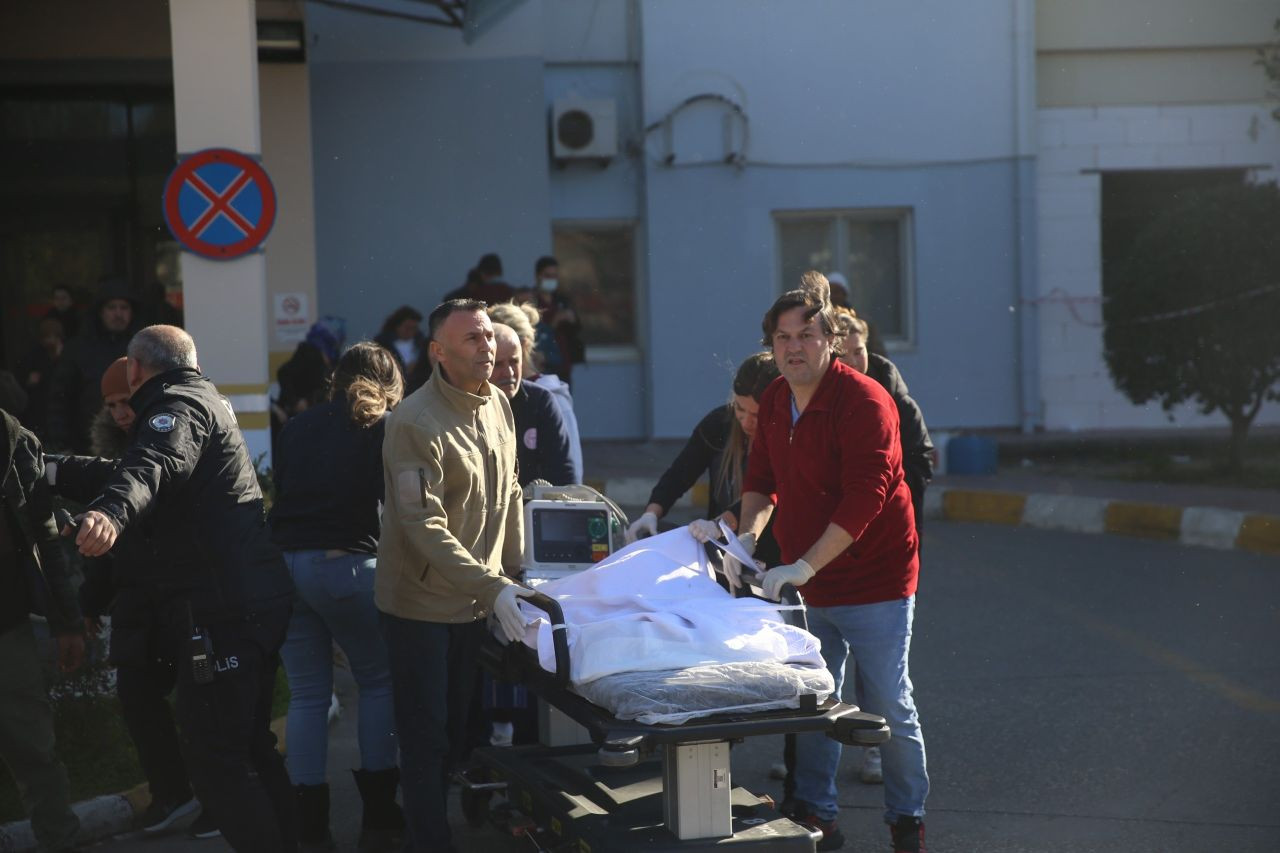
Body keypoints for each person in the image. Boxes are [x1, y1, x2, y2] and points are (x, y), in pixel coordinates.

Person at [65, 325, 297, 853]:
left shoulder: (175, 409)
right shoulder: (202, 398)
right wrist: (58, 471)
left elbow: (151, 466)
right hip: (245, 604)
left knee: (217, 761)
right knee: (252, 748)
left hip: (222, 613)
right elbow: (133, 468)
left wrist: (110, 513)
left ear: (136, 370)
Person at [727, 272, 927, 853]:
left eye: (806, 334)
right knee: (813, 700)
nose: (793, 347)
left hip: (876, 579)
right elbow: (761, 481)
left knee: (886, 700)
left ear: (832, 339)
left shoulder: (867, 402)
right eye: (782, 337)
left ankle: (906, 819)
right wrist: (745, 539)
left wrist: (806, 567)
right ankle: (818, 815)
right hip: (806, 579)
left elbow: (867, 494)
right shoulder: (773, 400)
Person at [376, 299, 531, 852]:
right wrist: (495, 586)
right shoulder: (414, 422)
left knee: (461, 731)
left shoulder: (498, 405)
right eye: (471, 339)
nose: (487, 346)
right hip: (419, 606)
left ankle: (457, 815)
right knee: (426, 739)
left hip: (474, 602)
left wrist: (519, 573)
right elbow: (422, 524)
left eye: (489, 335)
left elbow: (510, 492)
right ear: (438, 352)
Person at [52, 358, 214, 838]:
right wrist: (88, 605)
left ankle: (215, 796)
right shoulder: (112, 455)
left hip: (189, 599)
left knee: (202, 704)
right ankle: (172, 794)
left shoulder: (175, 435)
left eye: (127, 401)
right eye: (111, 406)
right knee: (138, 696)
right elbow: (105, 545)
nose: (122, 414)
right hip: (138, 602)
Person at [270, 342, 405, 853]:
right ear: (391, 384)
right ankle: (379, 819)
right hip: (345, 566)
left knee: (307, 695)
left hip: (285, 566)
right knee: (378, 681)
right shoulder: (385, 427)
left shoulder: (300, 425)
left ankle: (309, 828)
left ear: (335, 379)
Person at [0, 408, 85, 853]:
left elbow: (45, 537)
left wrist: (67, 622)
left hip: (6, 629)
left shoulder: (12, 439)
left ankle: (63, 843)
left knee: (35, 752)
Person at [626, 352, 782, 567]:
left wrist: (720, 525)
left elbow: (767, 494)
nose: (746, 422)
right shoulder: (720, 423)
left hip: (771, 559)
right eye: (740, 409)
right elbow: (680, 473)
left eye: (757, 415)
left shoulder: (786, 437)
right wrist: (651, 514)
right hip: (719, 553)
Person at [837, 310, 933, 540]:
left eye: (858, 351)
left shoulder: (891, 390)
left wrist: (888, 496)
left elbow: (918, 456)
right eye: (842, 354)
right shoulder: (821, 397)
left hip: (891, 519)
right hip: (839, 522)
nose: (852, 361)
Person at [487, 302, 583, 484]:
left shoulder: (547, 401)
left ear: (522, 345)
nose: (507, 372)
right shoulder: (474, 399)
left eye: (512, 361)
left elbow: (569, 478)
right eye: (496, 363)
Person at [47, 277, 139, 453]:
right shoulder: (78, 348)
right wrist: (61, 443)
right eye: (112, 307)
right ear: (101, 312)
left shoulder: (144, 347)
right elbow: (59, 398)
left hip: (137, 444)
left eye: (124, 308)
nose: (118, 314)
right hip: (85, 447)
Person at [529, 256, 585, 385]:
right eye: (547, 275)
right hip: (542, 365)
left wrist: (572, 320)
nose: (551, 280)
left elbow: (577, 329)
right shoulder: (532, 301)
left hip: (564, 365)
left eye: (554, 276)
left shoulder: (562, 300)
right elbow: (533, 331)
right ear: (538, 276)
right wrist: (553, 322)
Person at [17, 318, 65, 439]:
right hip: (40, 403)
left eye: (54, 337)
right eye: (47, 337)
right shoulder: (34, 355)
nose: (50, 340)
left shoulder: (66, 354)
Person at [374, 306, 427, 389]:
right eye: (407, 328)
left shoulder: (421, 342)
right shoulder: (383, 343)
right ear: (397, 326)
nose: (410, 332)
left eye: (414, 328)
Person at [443, 253, 514, 304]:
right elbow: (449, 301)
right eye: (488, 274)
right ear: (480, 273)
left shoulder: (502, 289)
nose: (491, 278)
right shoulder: (471, 289)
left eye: (494, 275)